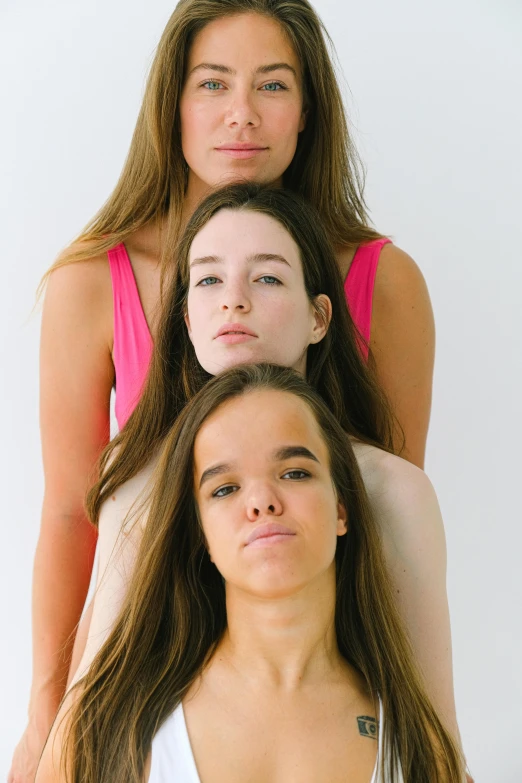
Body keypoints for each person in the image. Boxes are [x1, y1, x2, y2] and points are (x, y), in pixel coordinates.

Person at [10, 2, 435, 780]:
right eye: (212, 84)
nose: (242, 116)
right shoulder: (92, 284)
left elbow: (388, 529)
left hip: (318, 677)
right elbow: (74, 515)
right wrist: (45, 717)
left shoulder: (387, 281)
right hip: (148, 663)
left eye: (273, 85)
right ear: (171, 104)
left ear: (308, 109)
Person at [65, 185, 459, 763]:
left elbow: (436, 738)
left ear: (320, 318)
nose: (234, 301)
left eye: (268, 278)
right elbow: (80, 731)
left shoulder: (392, 491)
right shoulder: (139, 493)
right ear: (187, 322)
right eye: (208, 280)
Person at [36, 364, 464, 783]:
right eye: (224, 488)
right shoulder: (104, 733)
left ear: (341, 507)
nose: (262, 501)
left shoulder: (417, 746)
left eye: (295, 472)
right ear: (200, 531)